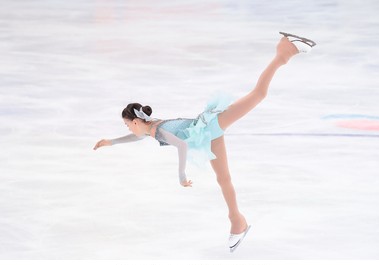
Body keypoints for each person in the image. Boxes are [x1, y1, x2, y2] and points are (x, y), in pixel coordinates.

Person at [94, 32, 316, 252]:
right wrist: (111, 142)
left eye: (126, 125)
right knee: (224, 179)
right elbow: (139, 136)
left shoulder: (158, 130)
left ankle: (285, 51)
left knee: (258, 94)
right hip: (209, 135)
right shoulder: (151, 127)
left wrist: (181, 176)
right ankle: (237, 222)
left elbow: (181, 145)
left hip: (211, 127)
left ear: (134, 122)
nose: (128, 129)